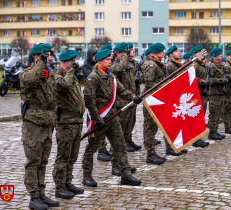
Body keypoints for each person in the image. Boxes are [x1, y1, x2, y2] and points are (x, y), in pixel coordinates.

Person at [82, 49, 142, 186]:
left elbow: (121, 90)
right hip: (100, 119)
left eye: (110, 59)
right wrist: (97, 119)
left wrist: (134, 98)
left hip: (112, 117)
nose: (110, 61)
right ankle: (87, 176)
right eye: (108, 60)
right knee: (91, 148)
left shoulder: (111, 76)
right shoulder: (93, 77)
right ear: (99, 61)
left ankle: (125, 174)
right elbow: (89, 100)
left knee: (120, 145)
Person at [19, 43, 59, 210]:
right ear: (37, 57)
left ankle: (41, 194)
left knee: (43, 161)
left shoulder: (50, 75)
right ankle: (33, 196)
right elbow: (32, 78)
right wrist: (40, 64)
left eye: (50, 55)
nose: (49, 58)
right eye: (46, 56)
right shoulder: (26, 74)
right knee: (33, 161)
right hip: (33, 125)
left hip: (47, 122)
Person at [52, 50, 85, 199]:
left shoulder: (71, 75)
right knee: (63, 156)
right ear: (65, 62)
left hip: (76, 122)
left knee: (72, 156)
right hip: (65, 123)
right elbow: (64, 86)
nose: (75, 64)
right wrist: (71, 71)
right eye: (72, 61)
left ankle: (67, 182)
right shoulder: (57, 76)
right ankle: (59, 186)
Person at [109, 42, 142, 175]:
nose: (128, 53)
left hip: (130, 102)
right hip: (120, 105)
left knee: (126, 136)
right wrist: (124, 58)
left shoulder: (128, 63)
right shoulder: (114, 64)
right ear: (119, 53)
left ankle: (123, 164)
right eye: (126, 52)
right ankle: (115, 165)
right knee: (118, 136)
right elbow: (117, 70)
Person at [143, 43, 173, 165]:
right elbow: (149, 84)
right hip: (152, 99)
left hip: (158, 99)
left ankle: (152, 152)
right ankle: (150, 153)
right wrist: (164, 86)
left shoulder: (158, 63)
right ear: (155, 52)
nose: (163, 52)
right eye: (161, 51)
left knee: (154, 127)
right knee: (150, 128)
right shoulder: (151, 65)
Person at [164, 45, 188, 155]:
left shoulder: (179, 65)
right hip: (172, 98)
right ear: (170, 55)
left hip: (179, 97)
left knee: (178, 123)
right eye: (176, 51)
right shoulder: (169, 66)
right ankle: (169, 147)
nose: (179, 53)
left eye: (178, 51)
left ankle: (177, 145)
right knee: (170, 123)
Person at [190, 45, 210, 147]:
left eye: (203, 52)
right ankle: (196, 139)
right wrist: (203, 81)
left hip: (203, 93)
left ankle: (198, 137)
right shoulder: (194, 64)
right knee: (196, 117)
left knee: (201, 116)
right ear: (195, 54)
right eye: (200, 52)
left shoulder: (202, 64)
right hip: (196, 94)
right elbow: (191, 78)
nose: (203, 54)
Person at [207, 48, 227, 140]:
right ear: (215, 55)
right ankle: (212, 132)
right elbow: (210, 79)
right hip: (214, 94)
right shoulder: (212, 66)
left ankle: (215, 131)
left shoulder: (220, 65)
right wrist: (222, 80)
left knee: (219, 113)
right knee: (214, 113)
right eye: (219, 54)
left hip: (220, 93)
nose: (221, 55)